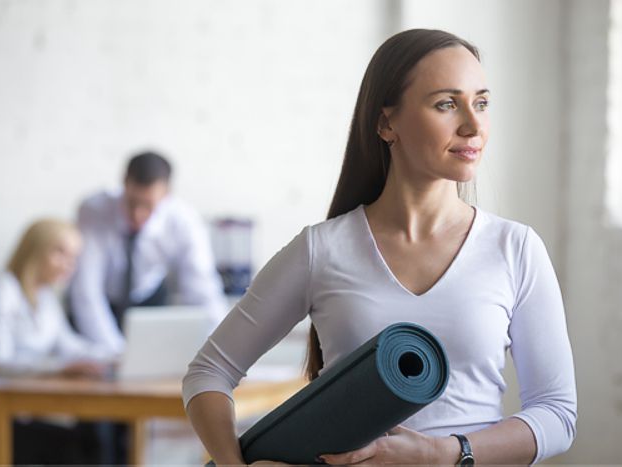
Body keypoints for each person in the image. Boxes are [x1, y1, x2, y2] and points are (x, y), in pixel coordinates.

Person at [182, 29, 577, 465]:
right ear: (386, 123)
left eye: (481, 103)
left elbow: (557, 415)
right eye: (447, 104)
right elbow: (209, 372)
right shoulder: (322, 250)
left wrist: (444, 454)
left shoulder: (515, 248)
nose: (473, 125)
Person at [0, 219, 111, 465]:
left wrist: (116, 355)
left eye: (73, 257)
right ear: (35, 249)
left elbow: (70, 346)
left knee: (89, 439)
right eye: (60, 252)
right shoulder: (2, 288)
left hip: (7, 410)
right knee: (68, 446)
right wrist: (60, 368)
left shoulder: (45, 297)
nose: (69, 265)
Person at [68, 151, 226, 355]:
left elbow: (202, 288)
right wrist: (115, 354)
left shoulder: (184, 221)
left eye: (148, 206)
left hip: (149, 301)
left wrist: (222, 349)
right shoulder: (94, 209)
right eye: (132, 203)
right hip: (102, 301)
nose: (137, 214)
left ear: (167, 194)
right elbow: (86, 290)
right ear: (124, 183)